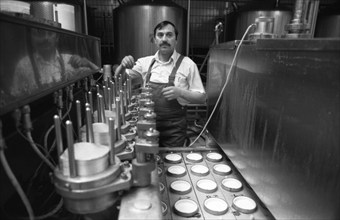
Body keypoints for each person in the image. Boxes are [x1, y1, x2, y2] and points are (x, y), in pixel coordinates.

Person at [115, 20, 206, 148]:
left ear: (176, 40)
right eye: (160, 35)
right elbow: (120, 80)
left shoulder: (188, 65)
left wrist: (180, 92)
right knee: (148, 162)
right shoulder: (144, 63)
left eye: (169, 35)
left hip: (174, 130)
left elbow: (202, 98)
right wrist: (122, 66)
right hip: (147, 126)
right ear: (155, 40)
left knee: (173, 163)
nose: (164, 39)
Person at [11, 28, 98, 97]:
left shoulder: (70, 60)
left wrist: (88, 63)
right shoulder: (23, 65)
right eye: (39, 33)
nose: (45, 38)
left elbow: (99, 78)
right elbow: (14, 97)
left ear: (57, 37)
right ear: (31, 37)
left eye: (50, 33)